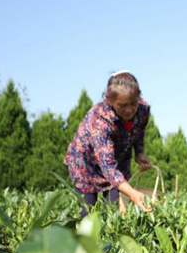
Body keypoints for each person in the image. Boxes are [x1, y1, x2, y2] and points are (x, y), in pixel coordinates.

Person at [65, 71, 153, 215]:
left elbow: (139, 131)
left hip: (117, 159)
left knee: (113, 211)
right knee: (87, 211)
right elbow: (108, 167)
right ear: (110, 101)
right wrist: (132, 192)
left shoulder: (143, 110)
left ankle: (108, 237)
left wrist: (139, 152)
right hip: (87, 165)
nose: (129, 109)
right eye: (122, 105)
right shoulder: (99, 119)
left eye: (133, 103)